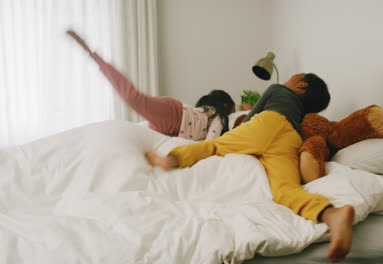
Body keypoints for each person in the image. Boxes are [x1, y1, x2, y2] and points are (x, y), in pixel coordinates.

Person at [145, 73, 355, 262]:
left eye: (293, 77)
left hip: (267, 123)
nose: (288, 80)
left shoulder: (277, 89)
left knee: (215, 145)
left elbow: (252, 116)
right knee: (285, 190)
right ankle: (331, 215)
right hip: (290, 138)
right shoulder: (299, 114)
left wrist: (239, 130)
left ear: (301, 85)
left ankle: (171, 160)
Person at [67, 30, 236, 140]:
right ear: (226, 105)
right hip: (174, 115)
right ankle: (94, 55)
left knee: (144, 150)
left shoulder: (207, 112)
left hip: (170, 130)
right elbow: (211, 143)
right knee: (134, 99)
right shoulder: (221, 116)